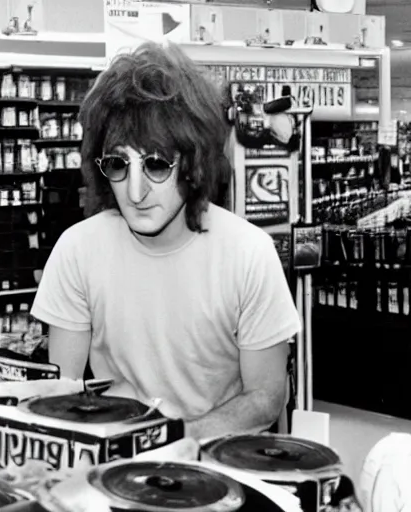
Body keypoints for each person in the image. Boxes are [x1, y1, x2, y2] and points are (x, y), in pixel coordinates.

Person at [31, 41, 301, 440]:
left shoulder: (248, 254)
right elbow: (62, 392)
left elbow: (265, 397)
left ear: (194, 163)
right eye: (118, 164)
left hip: (217, 467)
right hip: (114, 462)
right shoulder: (78, 250)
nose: (135, 191)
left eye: (156, 163)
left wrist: (170, 441)